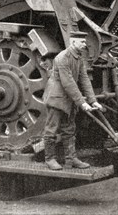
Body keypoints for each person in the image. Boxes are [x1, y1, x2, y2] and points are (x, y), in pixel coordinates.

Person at [42, 32, 102, 170]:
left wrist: (93, 100)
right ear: (73, 42)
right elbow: (68, 82)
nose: (84, 44)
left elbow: (84, 79)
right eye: (82, 41)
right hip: (56, 98)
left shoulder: (78, 58)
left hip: (68, 99)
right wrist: (82, 102)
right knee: (51, 130)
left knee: (69, 130)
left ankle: (71, 159)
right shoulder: (62, 58)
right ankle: (50, 159)